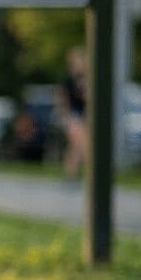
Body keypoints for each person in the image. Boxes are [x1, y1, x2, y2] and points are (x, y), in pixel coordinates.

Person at [58, 47, 88, 181]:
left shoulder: (86, 79)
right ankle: (92, 172)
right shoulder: (68, 80)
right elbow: (62, 100)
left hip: (84, 115)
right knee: (84, 143)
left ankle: (71, 175)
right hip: (73, 116)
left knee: (74, 147)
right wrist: (65, 117)